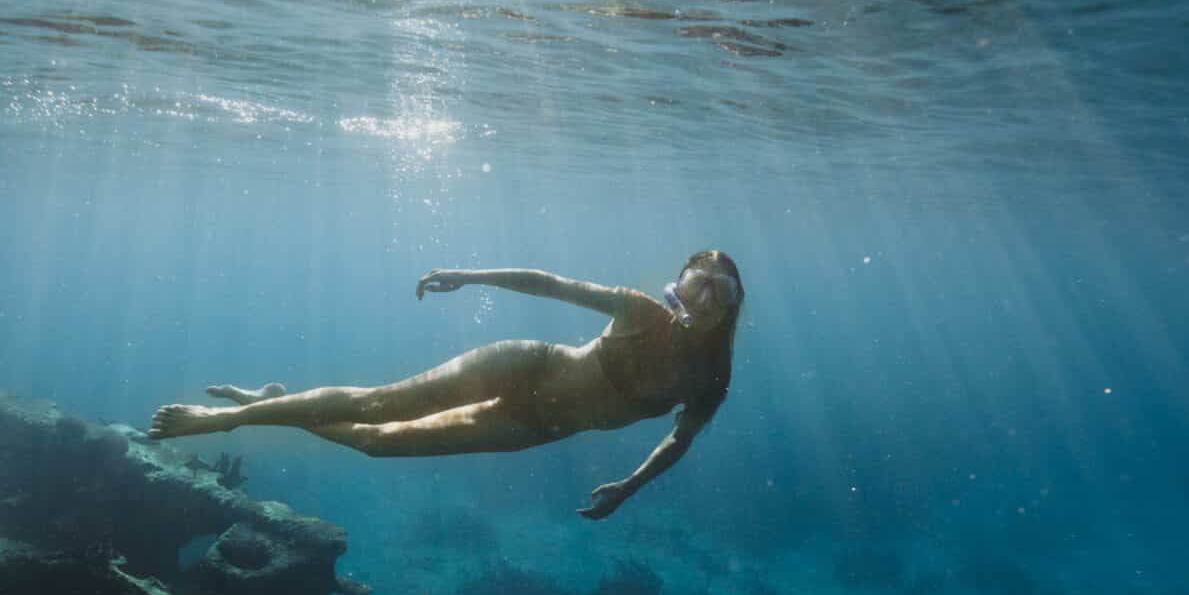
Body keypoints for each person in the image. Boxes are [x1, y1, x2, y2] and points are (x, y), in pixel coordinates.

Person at [147, 249, 743, 520]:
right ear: (679, 283)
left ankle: (275, 406)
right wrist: (467, 276)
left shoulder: (711, 376)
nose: (707, 298)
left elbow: (679, 440)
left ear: (733, 309)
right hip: (526, 365)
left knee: (376, 442)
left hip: (532, 426)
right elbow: (545, 282)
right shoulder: (638, 310)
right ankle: (222, 419)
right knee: (378, 404)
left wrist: (630, 487)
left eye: (722, 291)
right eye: (699, 282)